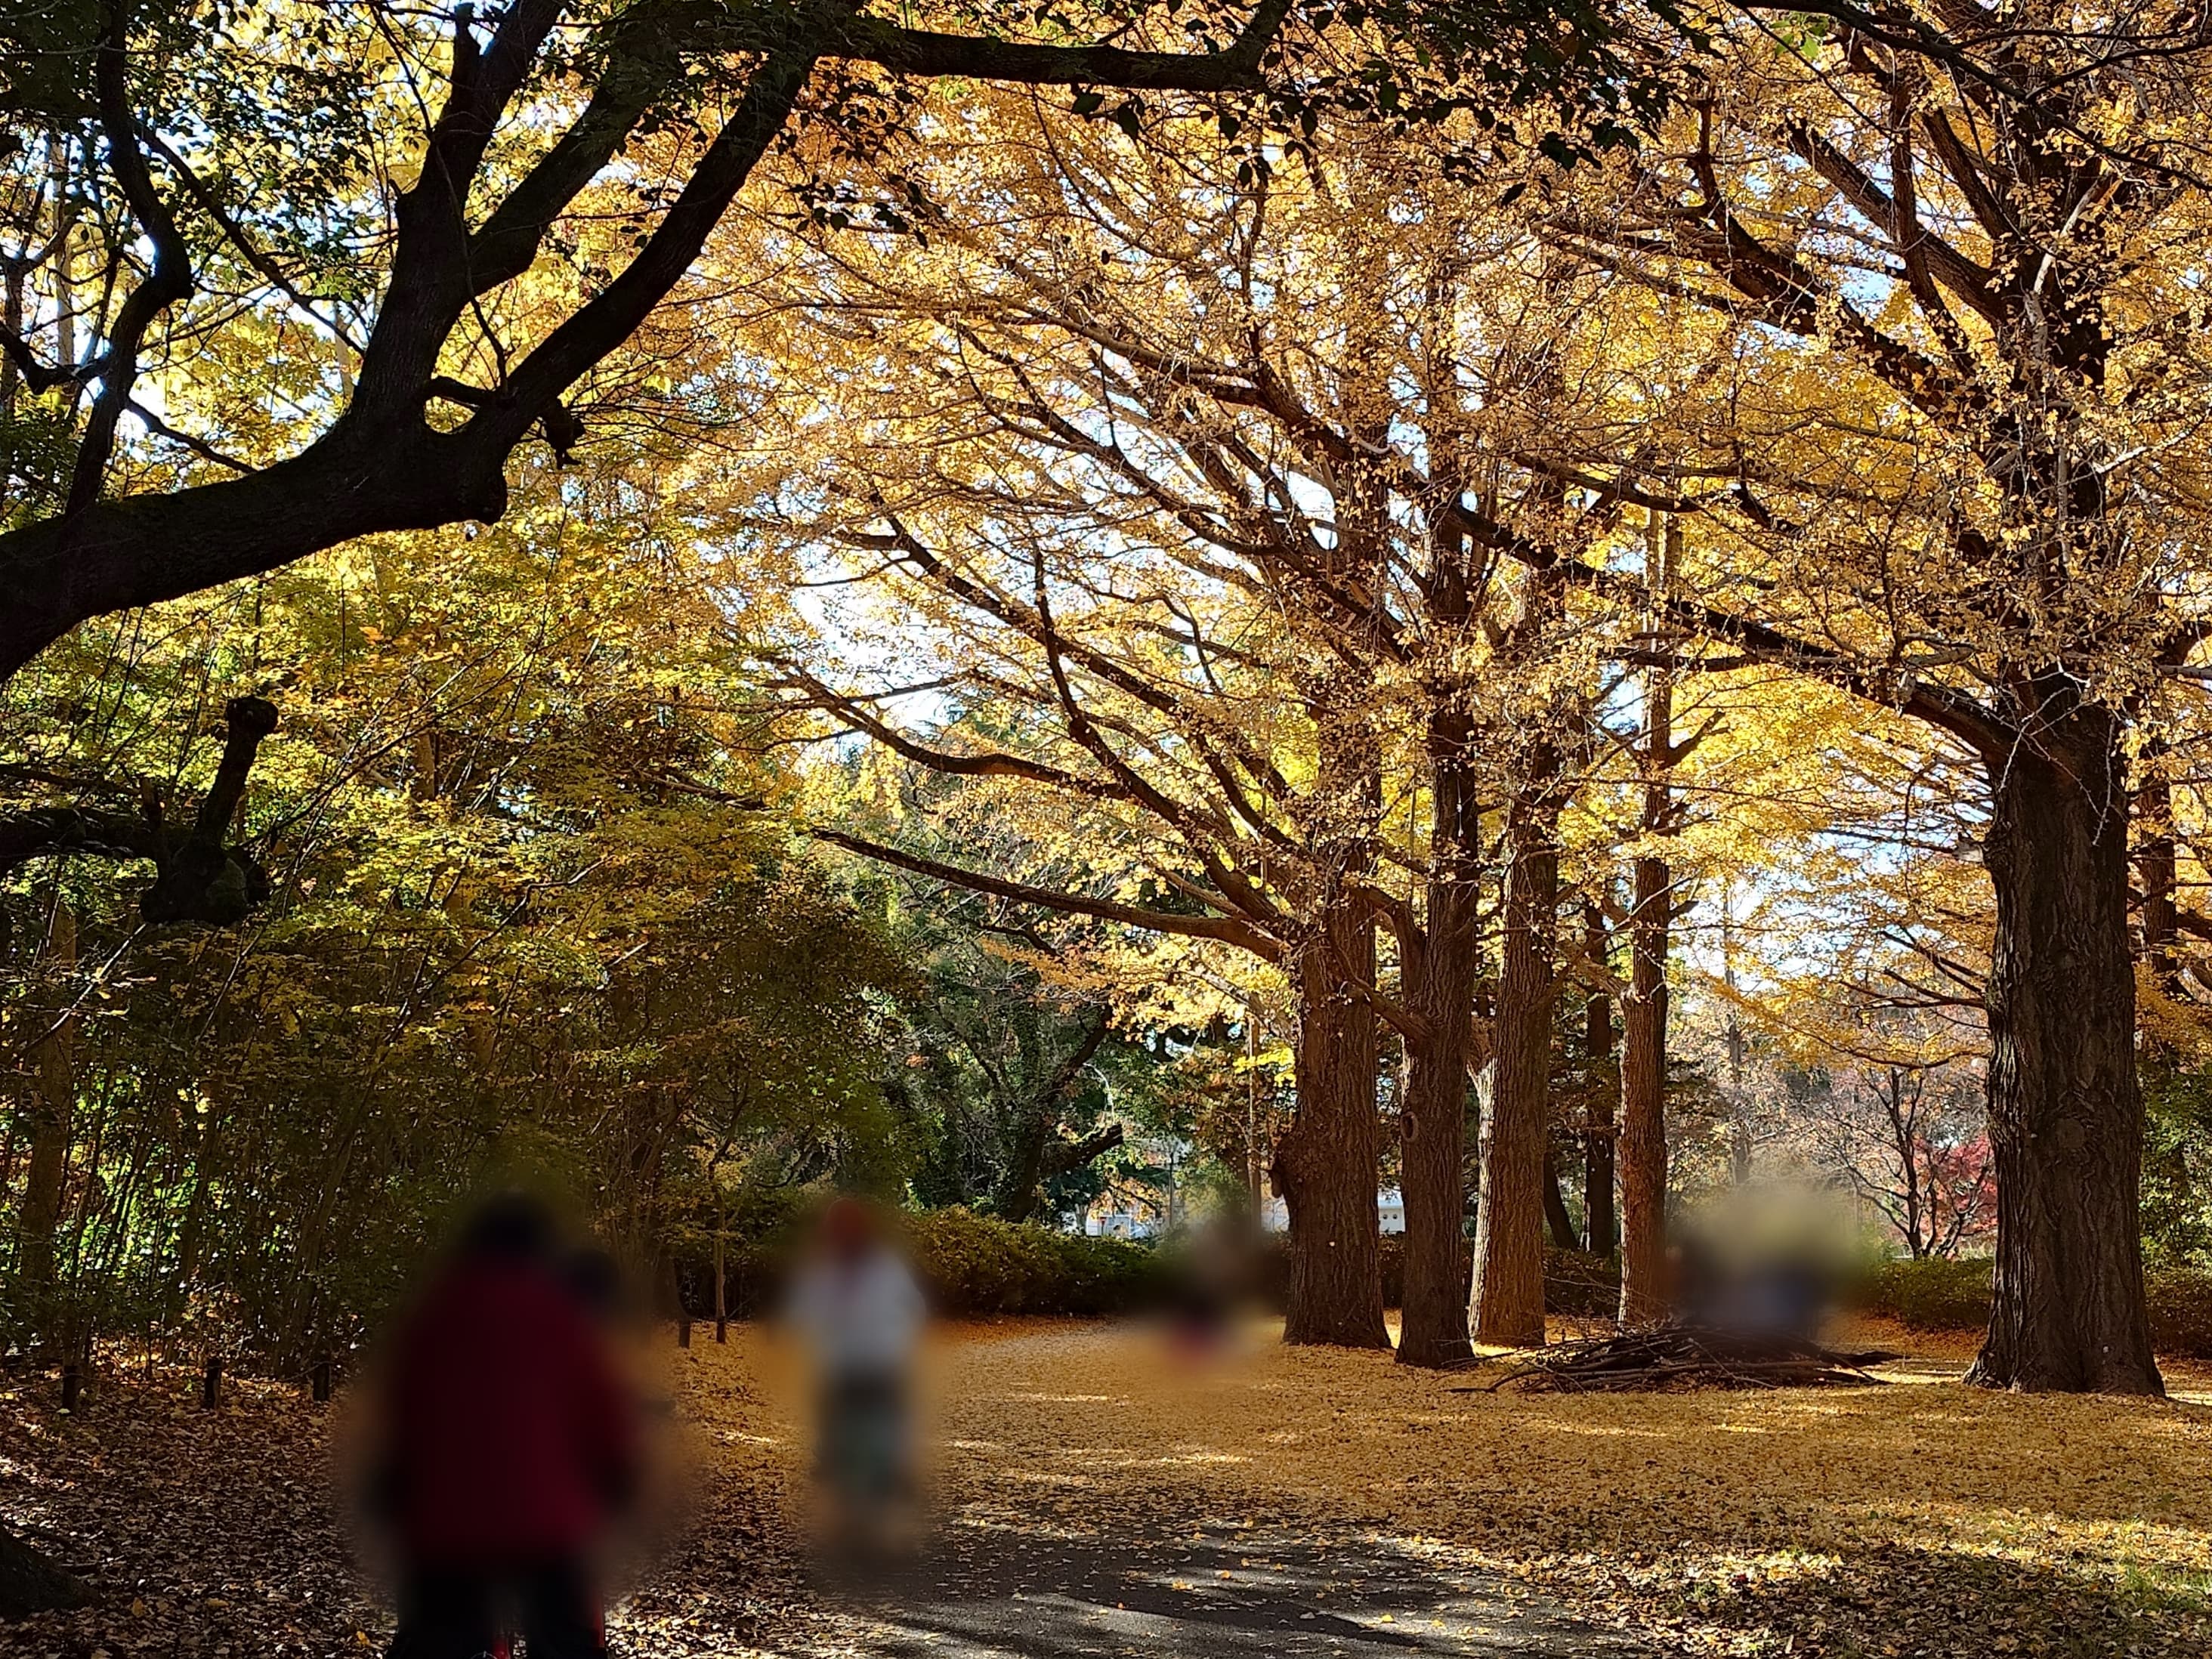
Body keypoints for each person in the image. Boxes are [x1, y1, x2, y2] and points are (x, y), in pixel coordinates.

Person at [372, 1194, 639, 1659]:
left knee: (440, 1629)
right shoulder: (557, 1315)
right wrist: (615, 1475)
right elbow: (597, 1407)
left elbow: (409, 1405)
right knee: (564, 1631)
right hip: (544, 1516)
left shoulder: (439, 1312)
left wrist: (399, 1482)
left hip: (451, 1512)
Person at [784, 1197, 927, 1538]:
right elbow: (802, 1315)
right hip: (847, 1364)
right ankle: (845, 1472)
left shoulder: (883, 1267)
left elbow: (915, 1309)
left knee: (881, 1428)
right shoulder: (824, 1271)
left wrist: (894, 1336)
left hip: (877, 1362)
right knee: (839, 1430)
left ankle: (884, 1475)